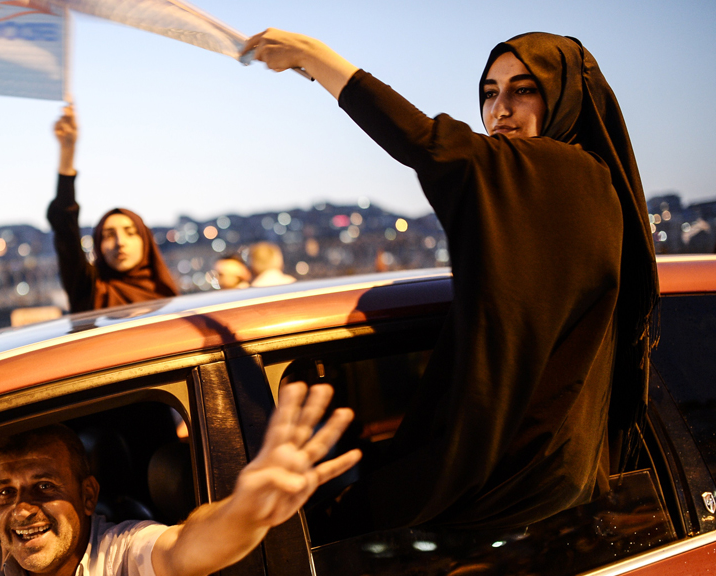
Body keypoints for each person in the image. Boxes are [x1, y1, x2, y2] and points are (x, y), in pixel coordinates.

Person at [242, 30, 658, 532]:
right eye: (489, 93)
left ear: (566, 96)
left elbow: (431, 144)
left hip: (508, 478)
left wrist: (318, 59)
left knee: (330, 525)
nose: (499, 109)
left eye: (523, 89)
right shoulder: (584, 184)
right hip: (547, 478)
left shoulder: (564, 170)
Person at [0, 382, 358, 576]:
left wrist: (248, 510)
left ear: (88, 496)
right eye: (5, 491)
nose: (21, 508)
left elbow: (190, 545)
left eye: (44, 487)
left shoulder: (120, 551)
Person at [47, 107, 179, 313]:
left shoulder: (169, 298)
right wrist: (67, 152)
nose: (120, 242)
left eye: (130, 232)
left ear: (146, 242)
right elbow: (65, 227)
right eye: (109, 235)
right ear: (98, 245)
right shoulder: (91, 291)